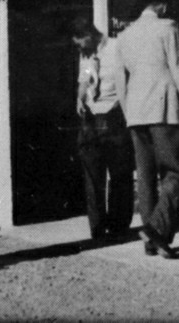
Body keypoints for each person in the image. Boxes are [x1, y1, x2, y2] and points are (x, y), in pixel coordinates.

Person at [116, 0, 179, 260]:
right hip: (164, 110)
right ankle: (157, 231)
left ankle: (151, 243)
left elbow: (120, 80)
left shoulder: (125, 35)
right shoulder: (168, 27)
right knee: (177, 175)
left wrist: (129, 112)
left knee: (146, 177)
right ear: (161, 4)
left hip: (136, 113)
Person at [71, 14, 134, 242]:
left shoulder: (117, 47)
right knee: (92, 175)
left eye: (80, 43)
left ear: (89, 35)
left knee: (119, 174)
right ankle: (97, 229)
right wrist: (79, 98)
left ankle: (119, 227)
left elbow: (130, 77)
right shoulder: (86, 53)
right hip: (91, 117)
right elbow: (84, 78)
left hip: (115, 114)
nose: (80, 49)